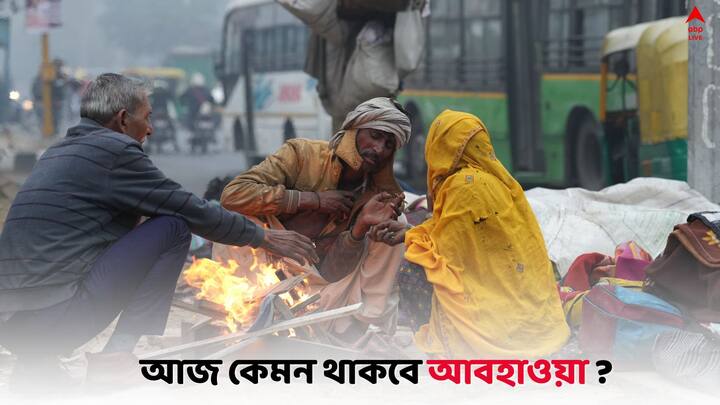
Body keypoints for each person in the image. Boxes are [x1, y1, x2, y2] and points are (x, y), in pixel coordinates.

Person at [0, 73, 317, 388]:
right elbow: (186, 208)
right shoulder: (116, 152)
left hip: (12, 327)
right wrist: (264, 237)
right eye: (147, 117)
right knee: (173, 227)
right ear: (123, 119)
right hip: (56, 318)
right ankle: (116, 357)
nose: (150, 129)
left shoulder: (58, 151)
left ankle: (35, 364)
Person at [369, 110, 570, 358]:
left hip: (491, 315)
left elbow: (448, 254)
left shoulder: (462, 186)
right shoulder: (499, 181)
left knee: (412, 266)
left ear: (439, 146)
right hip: (527, 310)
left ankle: (451, 344)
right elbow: (455, 234)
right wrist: (411, 231)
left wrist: (410, 237)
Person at [216, 97, 411, 342]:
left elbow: (331, 272)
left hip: (319, 288)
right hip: (267, 264)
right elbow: (232, 194)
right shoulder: (301, 153)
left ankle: (361, 326)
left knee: (396, 225)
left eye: (388, 144)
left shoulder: (378, 197)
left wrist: (359, 228)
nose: (380, 149)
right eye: (374, 135)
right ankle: (250, 311)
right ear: (354, 128)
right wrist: (312, 200)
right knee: (236, 217)